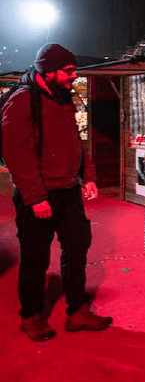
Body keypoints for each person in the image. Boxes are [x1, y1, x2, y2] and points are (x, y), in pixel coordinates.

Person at [0, 43, 113, 341]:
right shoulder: (23, 100)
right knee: (35, 258)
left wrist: (86, 176)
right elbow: (16, 152)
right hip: (37, 195)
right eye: (68, 71)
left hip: (68, 191)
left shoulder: (63, 97)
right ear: (47, 71)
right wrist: (35, 197)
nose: (73, 76)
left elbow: (75, 141)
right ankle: (32, 315)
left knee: (77, 250)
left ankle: (77, 311)